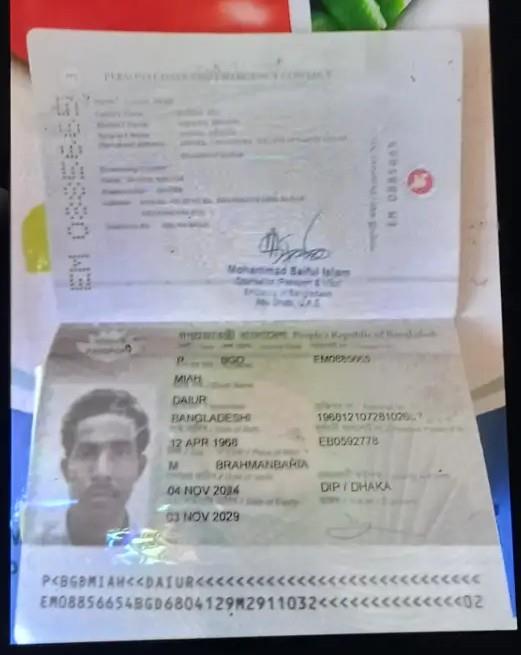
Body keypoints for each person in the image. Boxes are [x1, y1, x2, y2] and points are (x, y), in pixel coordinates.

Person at [37, 388, 149, 546]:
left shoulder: (157, 552)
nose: (102, 472)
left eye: (120, 453)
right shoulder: (30, 545)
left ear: (140, 467)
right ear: (65, 469)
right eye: (86, 454)